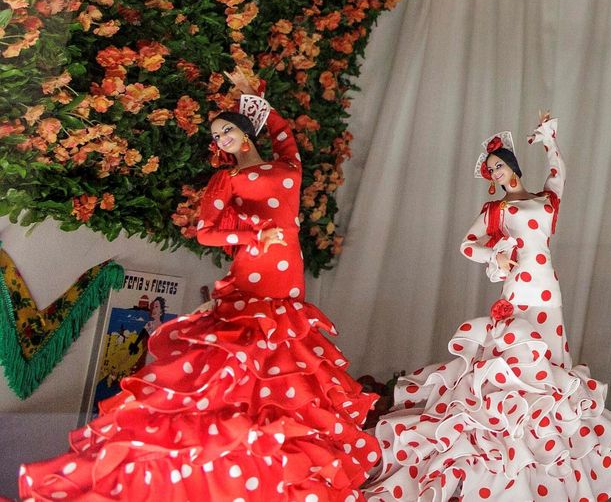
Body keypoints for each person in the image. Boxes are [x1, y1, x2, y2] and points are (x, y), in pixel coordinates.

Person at [20, 66, 378, 500]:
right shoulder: (226, 180)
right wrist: (254, 235)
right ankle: (219, 454)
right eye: (217, 135)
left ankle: (265, 459)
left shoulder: (287, 165)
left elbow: (283, 132)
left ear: (246, 133)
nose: (221, 139)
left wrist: (257, 98)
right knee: (239, 363)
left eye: (227, 131)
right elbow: (207, 231)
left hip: (290, 285)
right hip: (252, 276)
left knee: (284, 367)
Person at [366, 114, 611, 501]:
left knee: (550, 366)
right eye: (492, 169)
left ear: (513, 166)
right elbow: (466, 244)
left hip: (549, 293)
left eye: (501, 165)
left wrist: (549, 138)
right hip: (519, 290)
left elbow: (559, 172)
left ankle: (549, 466)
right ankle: (509, 457)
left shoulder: (546, 201)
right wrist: (496, 255)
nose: (498, 172)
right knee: (513, 362)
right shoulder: (497, 210)